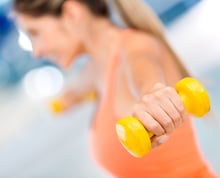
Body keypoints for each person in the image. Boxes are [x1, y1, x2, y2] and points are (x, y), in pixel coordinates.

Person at [13, 0, 218, 177]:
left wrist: (154, 97)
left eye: (35, 33)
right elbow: (80, 88)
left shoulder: (137, 47)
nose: (36, 52)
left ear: (71, 13)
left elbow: (145, 72)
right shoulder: (96, 69)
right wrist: (68, 100)